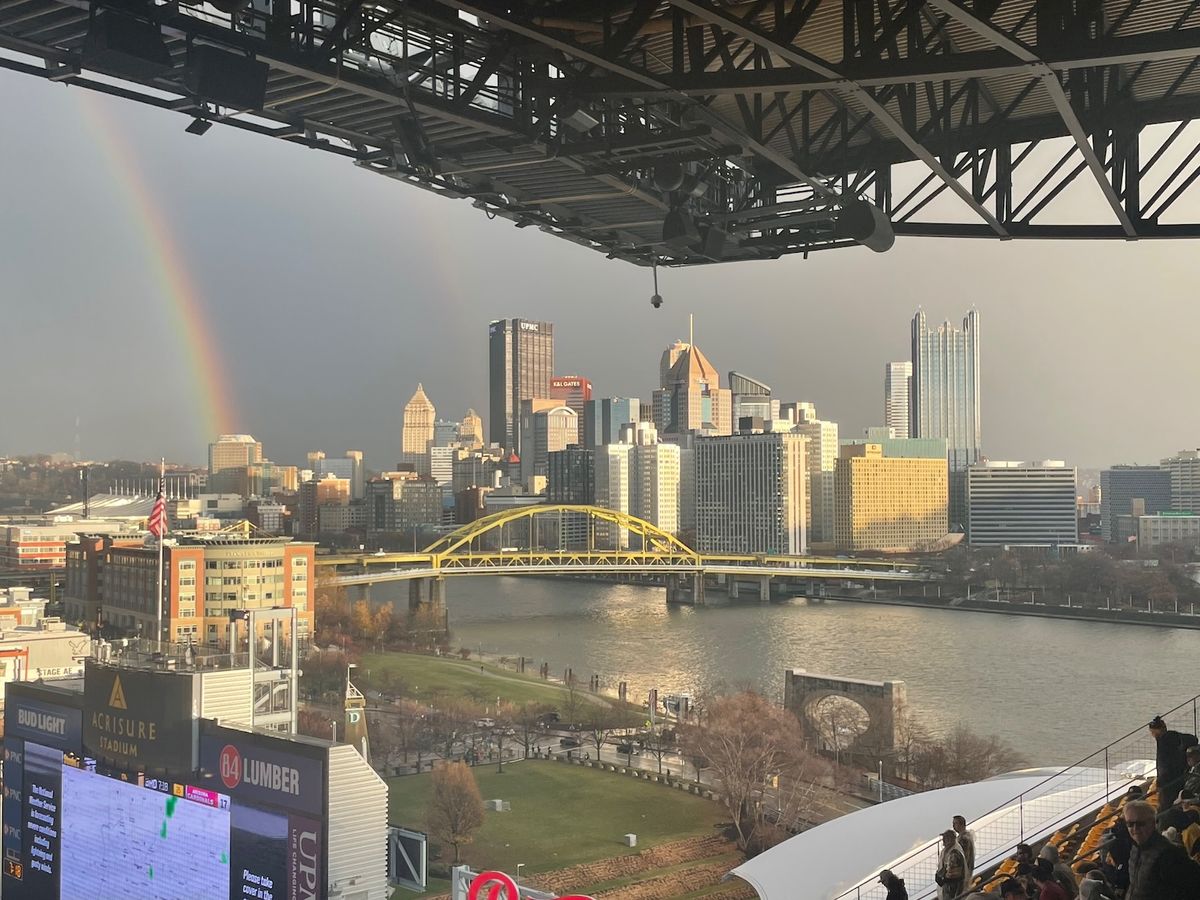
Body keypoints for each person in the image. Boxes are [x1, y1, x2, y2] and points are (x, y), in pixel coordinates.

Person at [1124, 798, 1200, 899]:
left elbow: (1192, 887)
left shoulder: (1170, 854)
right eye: (1130, 824)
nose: (1135, 828)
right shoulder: (1135, 849)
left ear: (1152, 823)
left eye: (1140, 823)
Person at [1150, 716, 1198, 811]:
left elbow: (1163, 764)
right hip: (1177, 778)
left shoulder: (1165, 739)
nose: (1152, 735)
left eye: (1152, 732)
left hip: (1169, 781)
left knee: (1165, 807)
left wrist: (1160, 782)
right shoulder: (1172, 737)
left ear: (1156, 730)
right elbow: (1193, 739)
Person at [936, 830, 966, 900]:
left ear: (950, 839)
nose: (943, 841)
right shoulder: (947, 851)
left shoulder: (954, 853)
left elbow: (954, 873)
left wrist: (943, 879)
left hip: (953, 886)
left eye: (945, 838)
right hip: (949, 885)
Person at [954, 814, 977, 889]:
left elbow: (963, 856)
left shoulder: (963, 839)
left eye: (955, 823)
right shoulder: (966, 836)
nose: (954, 826)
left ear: (961, 824)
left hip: (963, 871)